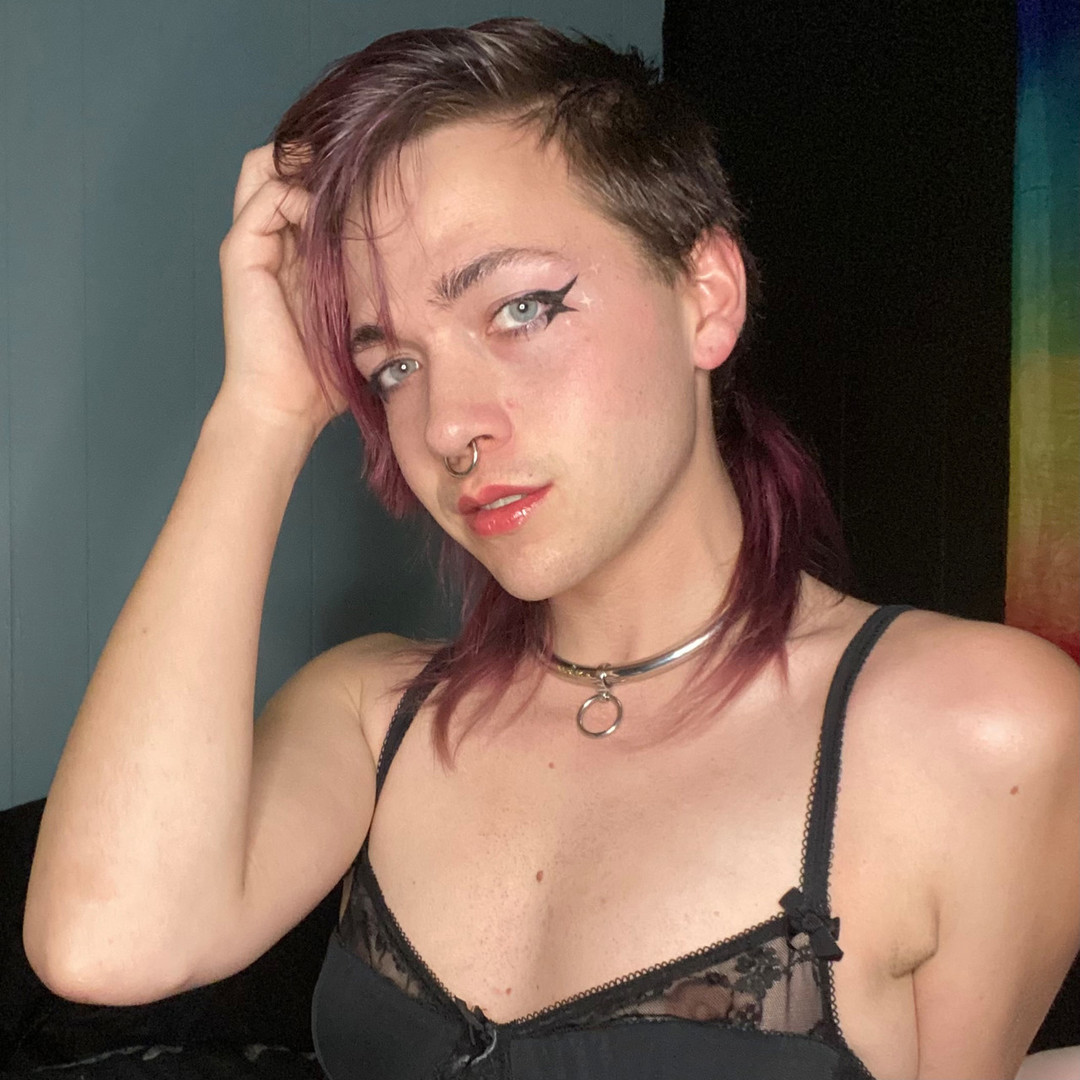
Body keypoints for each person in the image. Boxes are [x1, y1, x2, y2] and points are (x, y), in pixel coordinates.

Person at [22, 18, 1078, 1080]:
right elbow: (105, 944)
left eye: (521, 309)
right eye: (392, 366)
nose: (448, 425)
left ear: (706, 295)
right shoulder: (376, 718)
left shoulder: (977, 733)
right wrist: (263, 410)